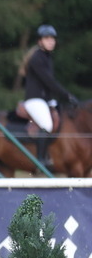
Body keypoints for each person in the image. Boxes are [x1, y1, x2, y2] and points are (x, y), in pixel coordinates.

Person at [18, 24, 79, 166]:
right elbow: (50, 83)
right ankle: (40, 159)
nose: (51, 41)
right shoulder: (37, 59)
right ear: (40, 41)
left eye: (53, 38)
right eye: (47, 38)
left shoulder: (47, 57)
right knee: (47, 124)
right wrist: (68, 96)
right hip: (34, 100)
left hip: (45, 100)